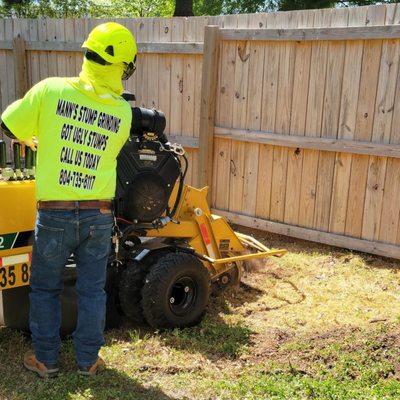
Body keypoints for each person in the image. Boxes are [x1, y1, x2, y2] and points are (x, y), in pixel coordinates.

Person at [0, 22, 137, 378]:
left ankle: (46, 360)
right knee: (93, 290)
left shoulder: (50, 90)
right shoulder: (122, 113)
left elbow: (9, 125)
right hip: (99, 213)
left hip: (54, 213)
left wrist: (38, 136)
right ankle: (88, 361)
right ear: (119, 66)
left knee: (45, 287)